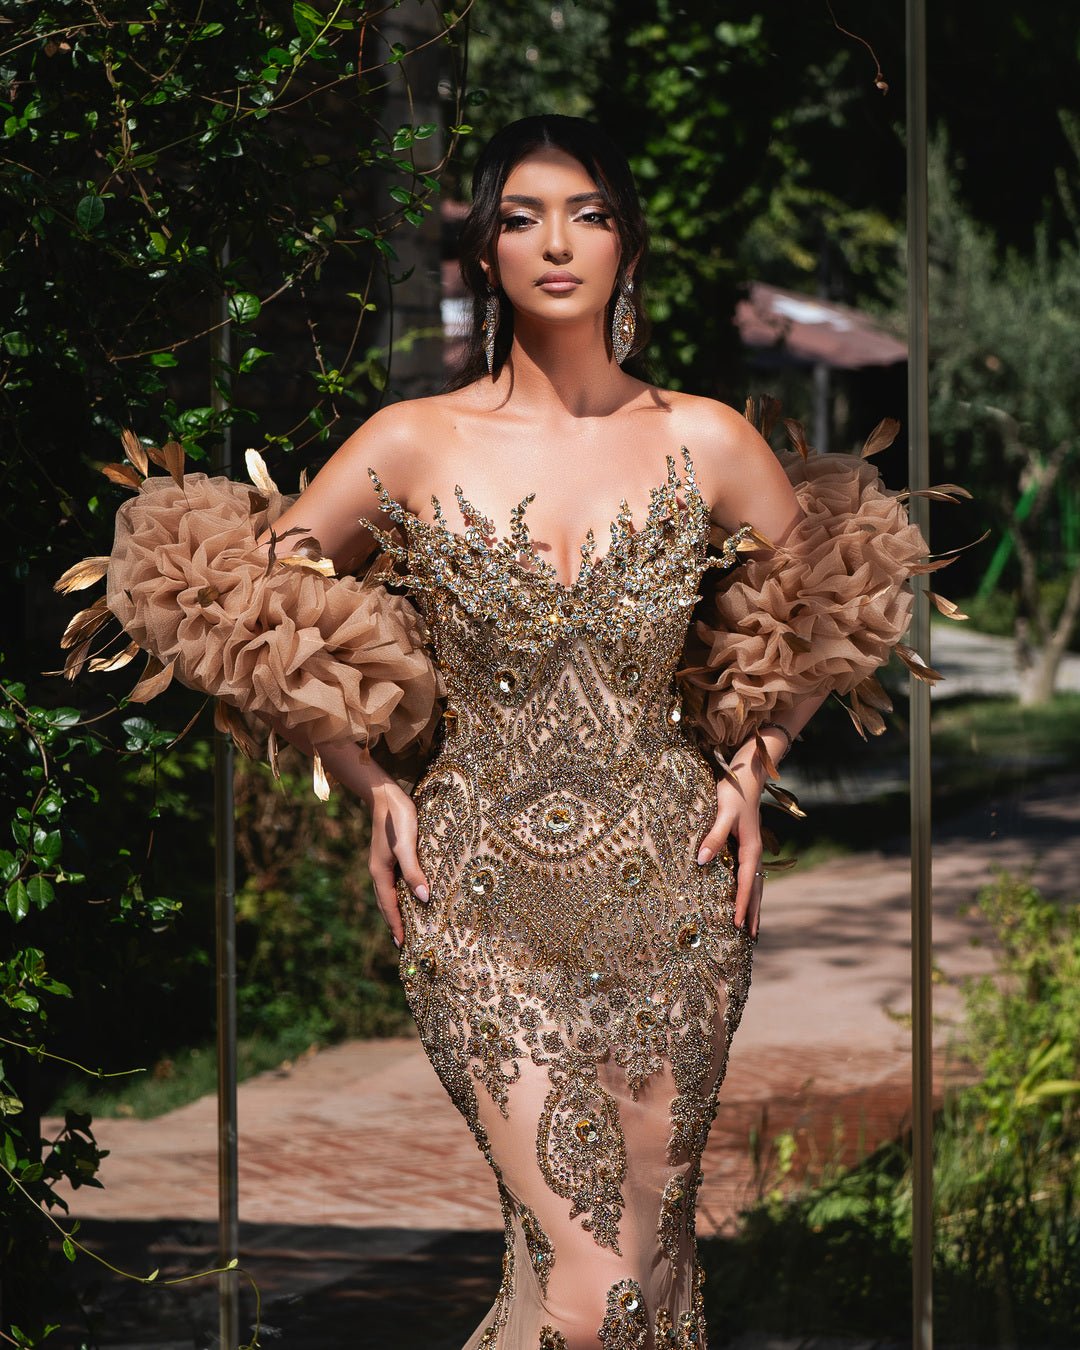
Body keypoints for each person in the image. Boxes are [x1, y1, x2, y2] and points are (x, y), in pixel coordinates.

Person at [58, 116, 933, 1349]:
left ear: (627, 245)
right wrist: (370, 778)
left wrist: (754, 765)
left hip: (671, 896)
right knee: (591, 1297)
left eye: (588, 214)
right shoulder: (412, 441)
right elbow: (234, 602)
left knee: (648, 1283)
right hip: (476, 899)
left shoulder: (707, 439)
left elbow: (838, 598)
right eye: (523, 218)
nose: (557, 243)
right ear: (486, 254)